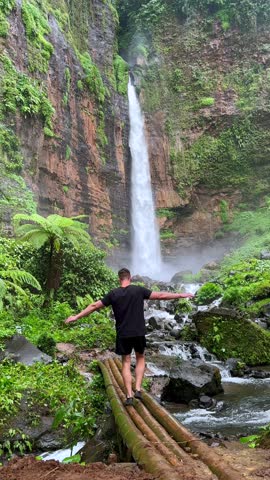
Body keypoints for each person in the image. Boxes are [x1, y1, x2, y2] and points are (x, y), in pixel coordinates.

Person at [65, 267, 194, 406]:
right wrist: (181, 295)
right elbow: (161, 296)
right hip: (138, 331)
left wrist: (76, 316)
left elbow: (94, 306)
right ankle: (138, 388)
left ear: (119, 279)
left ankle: (129, 396)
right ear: (130, 277)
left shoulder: (113, 294)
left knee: (126, 362)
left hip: (123, 333)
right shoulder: (138, 290)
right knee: (140, 357)